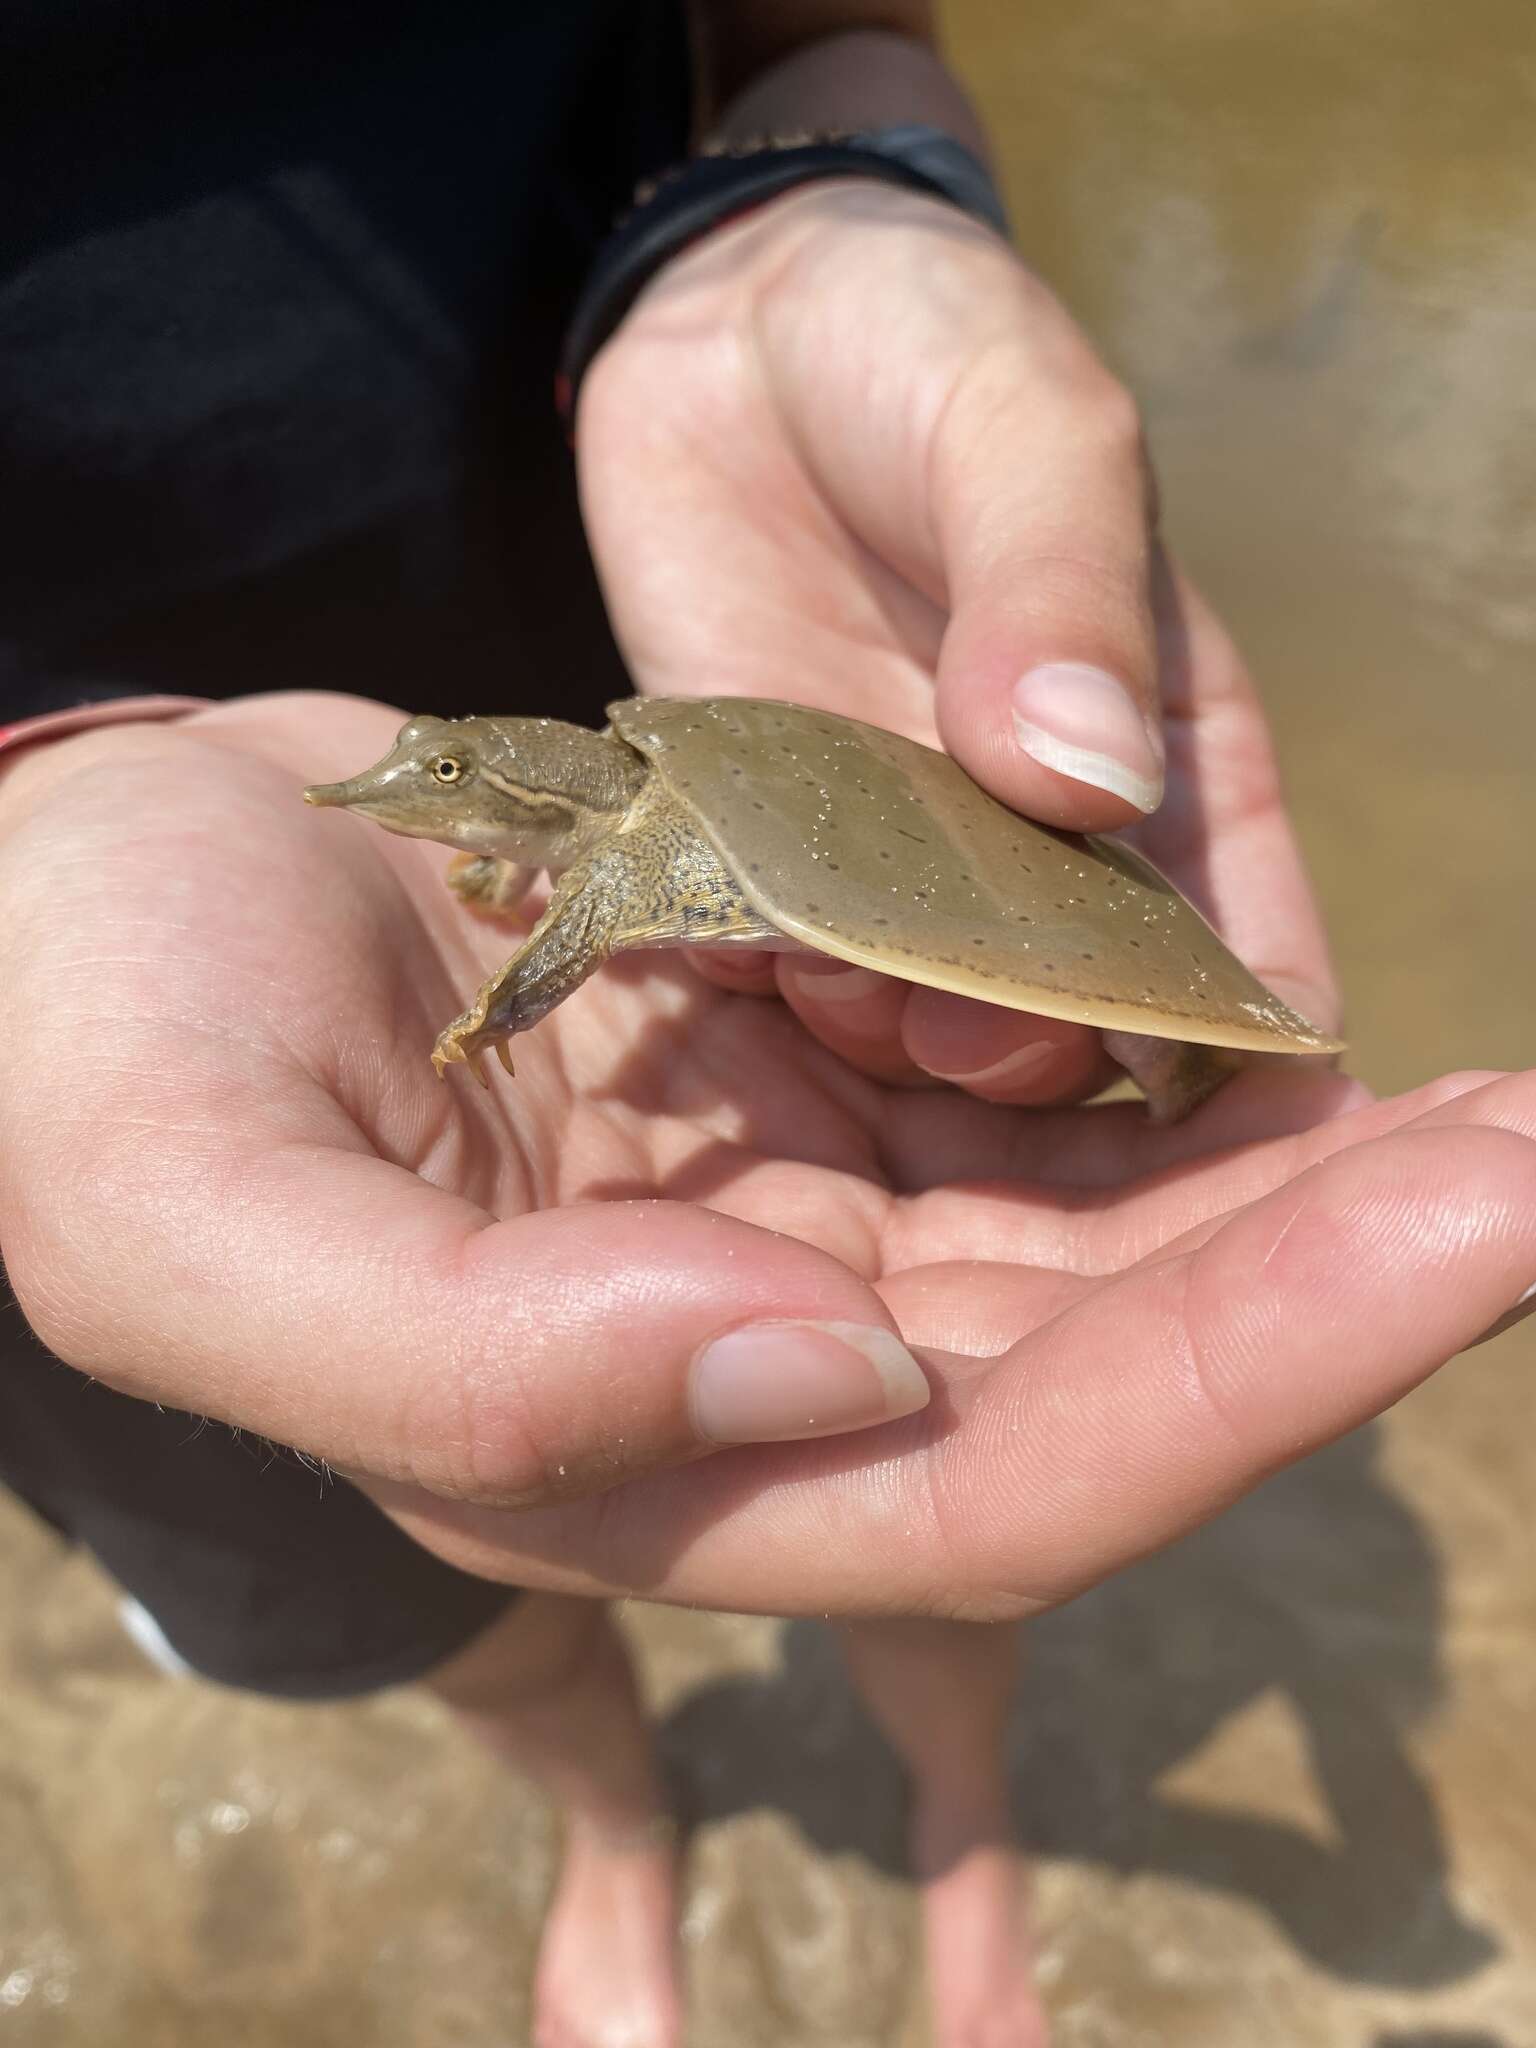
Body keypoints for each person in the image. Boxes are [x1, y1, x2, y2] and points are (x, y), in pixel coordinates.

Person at [2, 5, 1533, 2045]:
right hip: (91, 930)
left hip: (654, 548)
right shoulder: (536, 831)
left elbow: (821, 20)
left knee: (886, 1445)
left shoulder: (609, 810)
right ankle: (620, 1828)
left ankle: (953, 1807)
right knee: (383, 1560)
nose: (469, 811)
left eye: (480, 803)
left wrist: (810, 188)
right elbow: (548, 857)